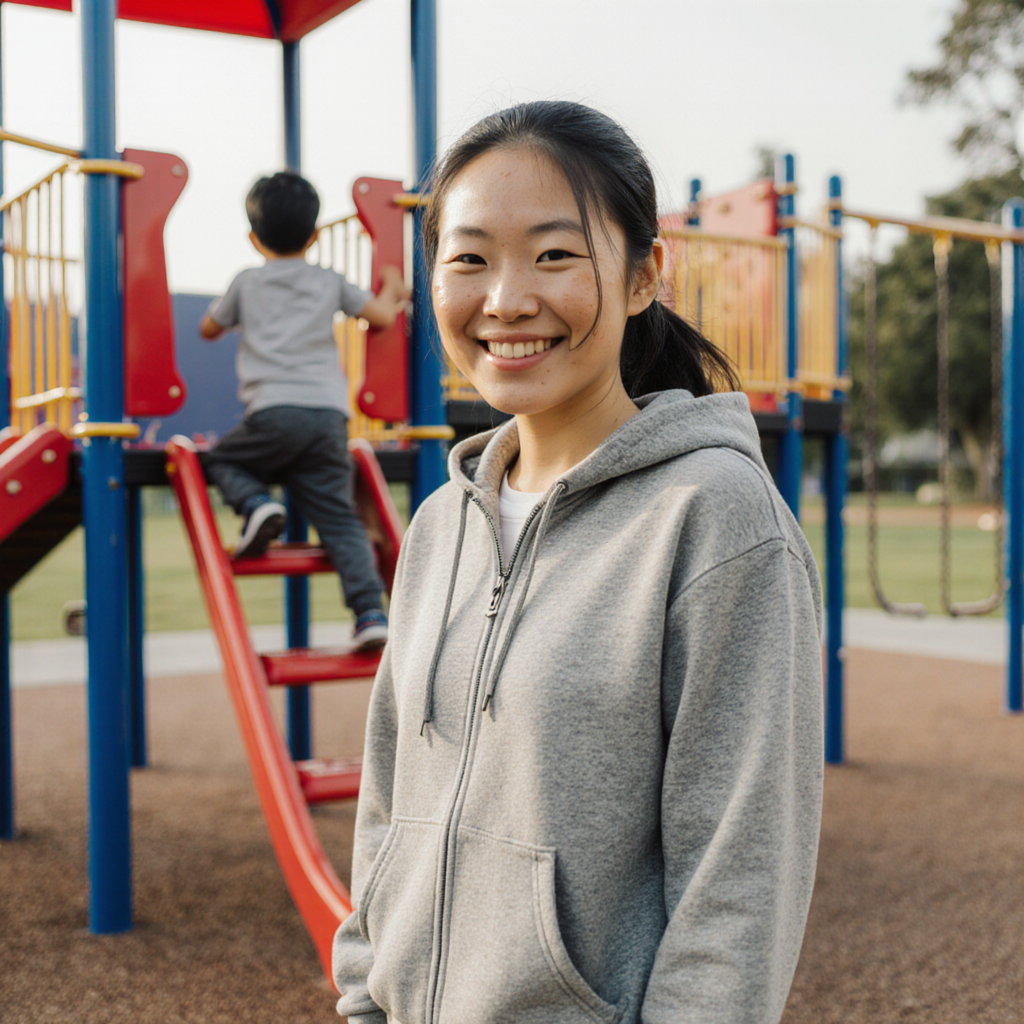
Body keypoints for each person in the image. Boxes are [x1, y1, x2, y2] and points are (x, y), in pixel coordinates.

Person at [332, 102, 823, 1023]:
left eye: (553, 254)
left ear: (644, 275)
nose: (506, 299)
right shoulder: (440, 526)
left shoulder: (716, 520)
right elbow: (388, 801)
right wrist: (365, 993)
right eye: (469, 258)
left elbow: (739, 878)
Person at [200, 171, 409, 651]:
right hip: (328, 419)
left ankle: (256, 504)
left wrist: (233, 316)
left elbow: (210, 328)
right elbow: (379, 315)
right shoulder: (330, 281)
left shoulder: (247, 281)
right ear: (314, 236)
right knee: (340, 520)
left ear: (254, 238)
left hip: (273, 413)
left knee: (220, 458)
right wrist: (394, 284)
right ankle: (370, 613)